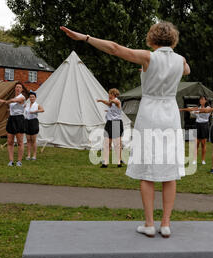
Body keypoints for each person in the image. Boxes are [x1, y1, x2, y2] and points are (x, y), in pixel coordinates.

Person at [61, 21, 190, 238]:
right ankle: (165, 224)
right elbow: (186, 70)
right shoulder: (180, 60)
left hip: (150, 114)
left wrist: (85, 37)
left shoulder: (149, 57)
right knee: (170, 173)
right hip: (170, 116)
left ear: (152, 38)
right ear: (173, 40)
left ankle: (150, 224)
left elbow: (114, 48)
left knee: (146, 171)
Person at [0, 83, 26, 167]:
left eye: (19, 87)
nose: (18, 88)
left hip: (19, 119)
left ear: (22, 89)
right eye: (16, 87)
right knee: (10, 141)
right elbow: (12, 105)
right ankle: (11, 161)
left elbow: (14, 101)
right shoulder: (14, 97)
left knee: (19, 141)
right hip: (11, 119)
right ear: (15, 89)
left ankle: (19, 161)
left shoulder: (22, 97)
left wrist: (6, 101)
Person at [97, 88, 124, 168]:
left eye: (110, 94)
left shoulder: (117, 101)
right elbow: (108, 103)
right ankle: (105, 163)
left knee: (116, 144)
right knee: (107, 143)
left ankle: (119, 162)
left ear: (113, 94)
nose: (108, 95)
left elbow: (115, 102)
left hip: (116, 123)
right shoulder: (111, 103)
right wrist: (101, 100)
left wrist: (111, 101)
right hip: (109, 123)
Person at [179, 96, 210, 165]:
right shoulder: (197, 108)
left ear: (205, 101)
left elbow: (204, 111)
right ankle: (194, 159)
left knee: (203, 144)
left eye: (202, 99)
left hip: (204, 125)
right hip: (197, 125)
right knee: (196, 143)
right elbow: (190, 109)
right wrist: (182, 109)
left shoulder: (208, 108)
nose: (201, 100)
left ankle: (203, 160)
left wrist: (197, 112)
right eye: (200, 99)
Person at [24, 91, 44, 161]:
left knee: (33, 140)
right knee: (28, 140)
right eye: (30, 97)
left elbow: (42, 110)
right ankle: (28, 155)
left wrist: (35, 111)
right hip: (27, 121)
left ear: (35, 98)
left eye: (33, 97)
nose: (31, 98)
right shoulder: (27, 104)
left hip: (33, 122)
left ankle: (34, 155)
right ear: (29, 98)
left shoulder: (37, 105)